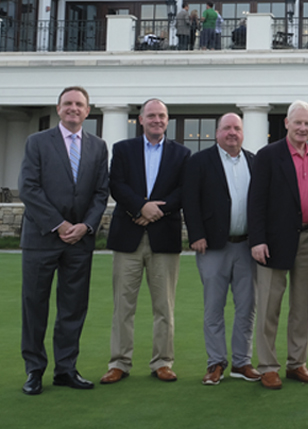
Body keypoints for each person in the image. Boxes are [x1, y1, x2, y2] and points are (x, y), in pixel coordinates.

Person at [19, 86, 109, 395]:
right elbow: (29, 188)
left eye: (79, 104)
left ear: (87, 110)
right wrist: (58, 225)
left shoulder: (98, 147)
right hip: (41, 238)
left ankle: (66, 369)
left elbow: (100, 192)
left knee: (73, 308)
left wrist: (86, 226)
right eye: (68, 103)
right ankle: (34, 370)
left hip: (79, 242)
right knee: (35, 307)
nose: (73, 108)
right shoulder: (37, 142)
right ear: (58, 109)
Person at [101, 99, 191, 385]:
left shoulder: (182, 153)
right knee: (123, 306)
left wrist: (156, 212)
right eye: (151, 115)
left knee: (164, 306)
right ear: (140, 120)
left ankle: (162, 362)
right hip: (128, 238)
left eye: (161, 116)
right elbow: (117, 185)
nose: (156, 120)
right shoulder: (123, 149)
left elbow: (183, 191)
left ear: (167, 120)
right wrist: (141, 207)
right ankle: (119, 363)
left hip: (163, 239)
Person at [248, 101, 308, 390]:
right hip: (273, 241)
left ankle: (297, 363)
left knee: (302, 307)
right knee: (269, 305)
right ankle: (268, 366)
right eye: (298, 123)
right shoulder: (268, 156)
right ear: (287, 123)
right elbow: (255, 201)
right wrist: (257, 239)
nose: (303, 128)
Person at [182, 113, 260, 386]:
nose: (232, 133)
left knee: (247, 307)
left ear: (242, 133)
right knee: (214, 308)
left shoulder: (254, 161)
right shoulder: (200, 161)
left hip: (246, 247)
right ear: (217, 133)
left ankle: (242, 362)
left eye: (237, 128)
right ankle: (215, 363)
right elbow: (189, 201)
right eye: (226, 128)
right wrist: (196, 235)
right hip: (213, 246)